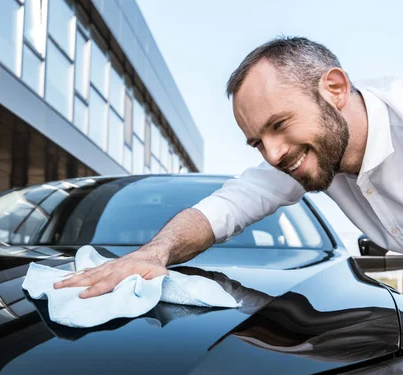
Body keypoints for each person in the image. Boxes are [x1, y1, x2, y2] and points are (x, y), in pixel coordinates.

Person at [54, 36, 403, 299]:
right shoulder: (312, 152)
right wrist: (152, 253)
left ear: (335, 88)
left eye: (279, 124)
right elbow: (227, 206)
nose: (273, 155)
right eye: (257, 143)